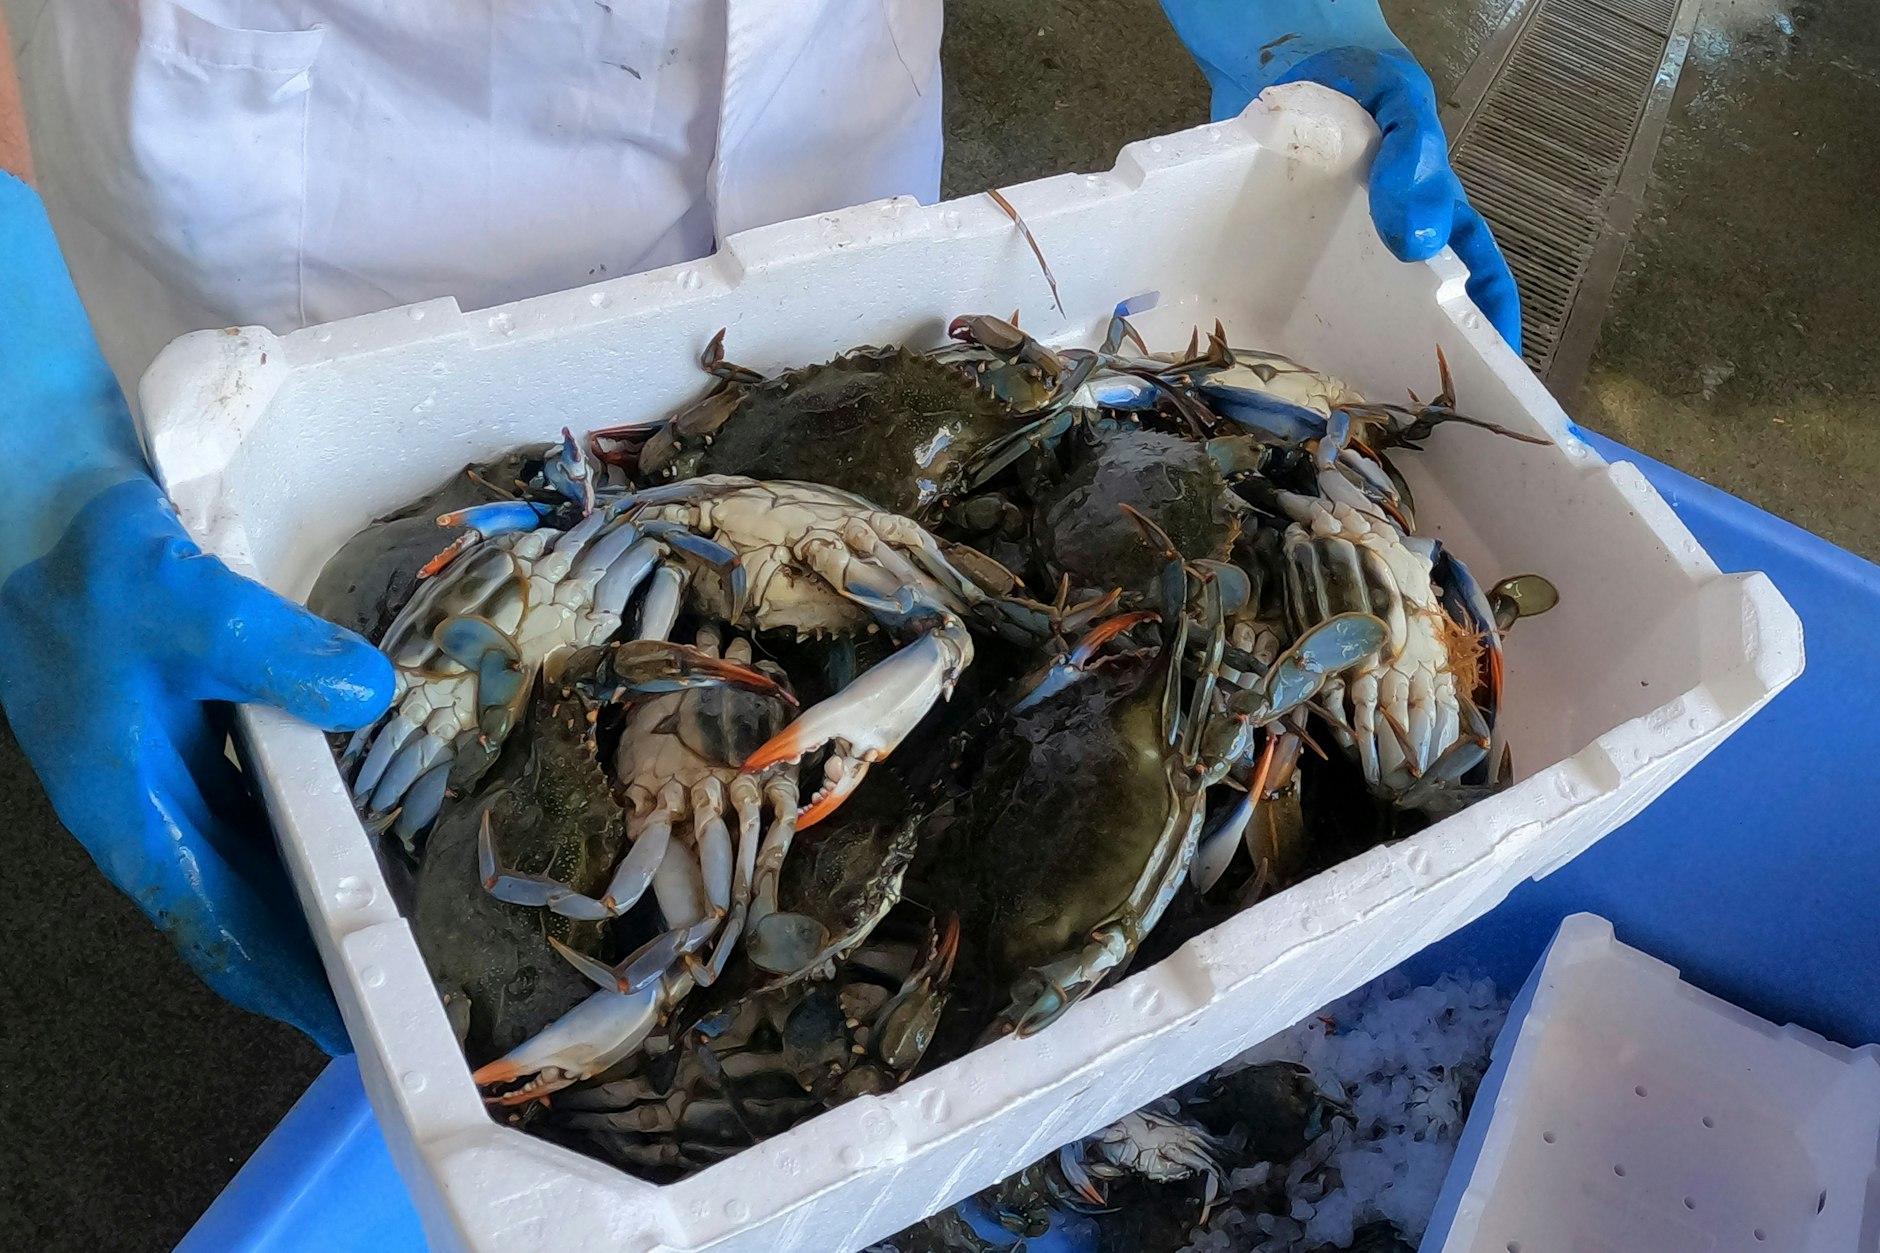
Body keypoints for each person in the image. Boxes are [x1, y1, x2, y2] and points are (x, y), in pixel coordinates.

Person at [0, 0, 1518, 1055]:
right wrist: (29, 451)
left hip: (826, 184)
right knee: (373, 828)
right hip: (311, 279)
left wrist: (1294, 24)